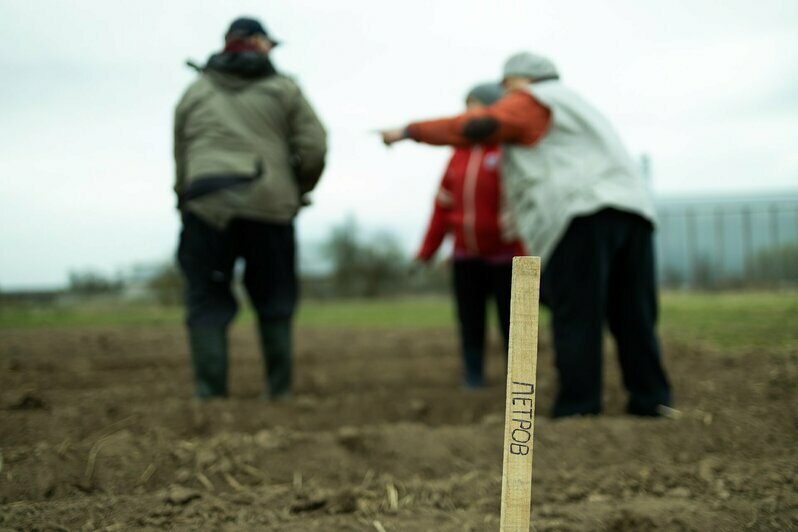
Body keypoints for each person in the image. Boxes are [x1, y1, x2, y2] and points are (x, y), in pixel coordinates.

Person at [381, 52, 671, 417]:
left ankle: (578, 408)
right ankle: (652, 401)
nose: (505, 96)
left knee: (576, 314)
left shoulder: (533, 100)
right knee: (633, 312)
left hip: (581, 215)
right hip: (633, 211)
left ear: (520, 81)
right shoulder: (579, 105)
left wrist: (410, 131)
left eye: (506, 87)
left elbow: (477, 126)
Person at [173, 17, 327, 400]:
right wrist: (297, 189)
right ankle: (279, 395)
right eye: (269, 43)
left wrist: (184, 199)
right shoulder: (285, 89)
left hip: (205, 205)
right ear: (257, 42)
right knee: (274, 297)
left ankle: (209, 400)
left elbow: (181, 156)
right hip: (269, 206)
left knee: (206, 298)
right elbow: (315, 147)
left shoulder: (194, 92)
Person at [415, 82, 524, 389]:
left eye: (475, 107)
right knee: (470, 321)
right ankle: (473, 376)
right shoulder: (457, 155)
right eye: (466, 107)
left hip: (510, 257)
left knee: (515, 323)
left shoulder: (510, 151)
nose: (468, 114)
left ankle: (519, 380)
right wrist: (427, 250)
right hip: (466, 257)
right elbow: (442, 207)